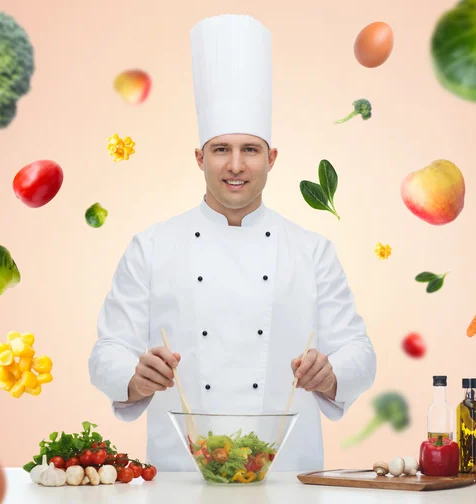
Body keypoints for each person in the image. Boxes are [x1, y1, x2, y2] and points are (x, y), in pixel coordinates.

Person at [89, 13, 376, 472]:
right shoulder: (151, 246)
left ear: (272, 158)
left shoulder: (312, 250)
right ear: (200, 157)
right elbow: (106, 352)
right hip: (180, 479)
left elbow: (360, 351)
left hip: (287, 478)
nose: (236, 165)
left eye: (251, 150)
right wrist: (133, 377)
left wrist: (334, 373)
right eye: (221, 149)